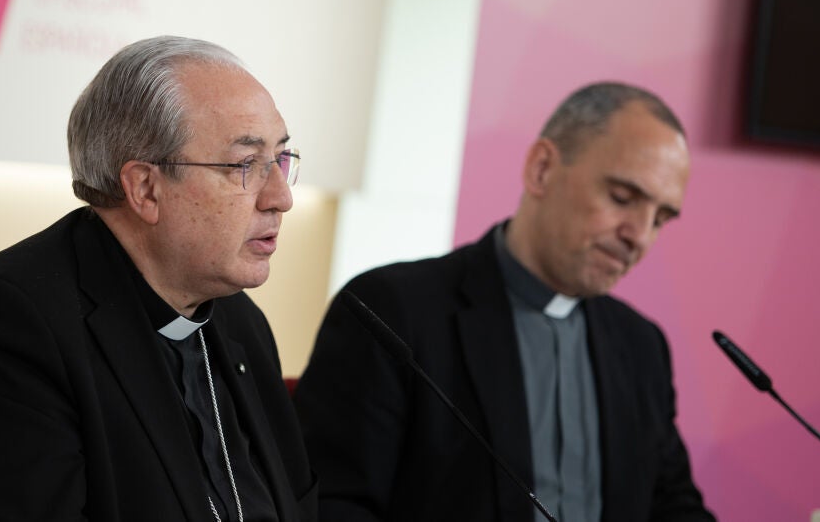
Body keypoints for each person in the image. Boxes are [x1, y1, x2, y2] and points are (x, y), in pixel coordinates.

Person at [0, 35, 317, 521]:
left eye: (280, 159)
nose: (281, 197)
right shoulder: (6, 326)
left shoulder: (239, 323)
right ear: (145, 188)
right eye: (245, 165)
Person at [294, 82, 715, 521]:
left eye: (660, 219)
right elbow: (333, 505)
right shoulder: (390, 311)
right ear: (542, 170)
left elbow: (675, 507)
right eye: (622, 198)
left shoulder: (642, 346)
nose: (640, 236)